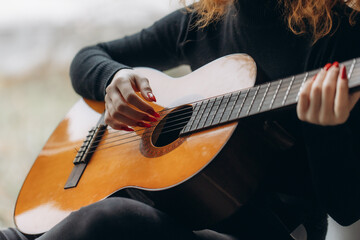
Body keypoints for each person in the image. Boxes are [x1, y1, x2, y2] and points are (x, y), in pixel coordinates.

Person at [1, 0, 360, 239]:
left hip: (271, 228)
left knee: (107, 220)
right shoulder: (205, 19)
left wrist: (329, 129)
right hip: (173, 212)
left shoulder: (338, 33)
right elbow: (89, 57)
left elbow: (345, 211)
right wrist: (113, 81)